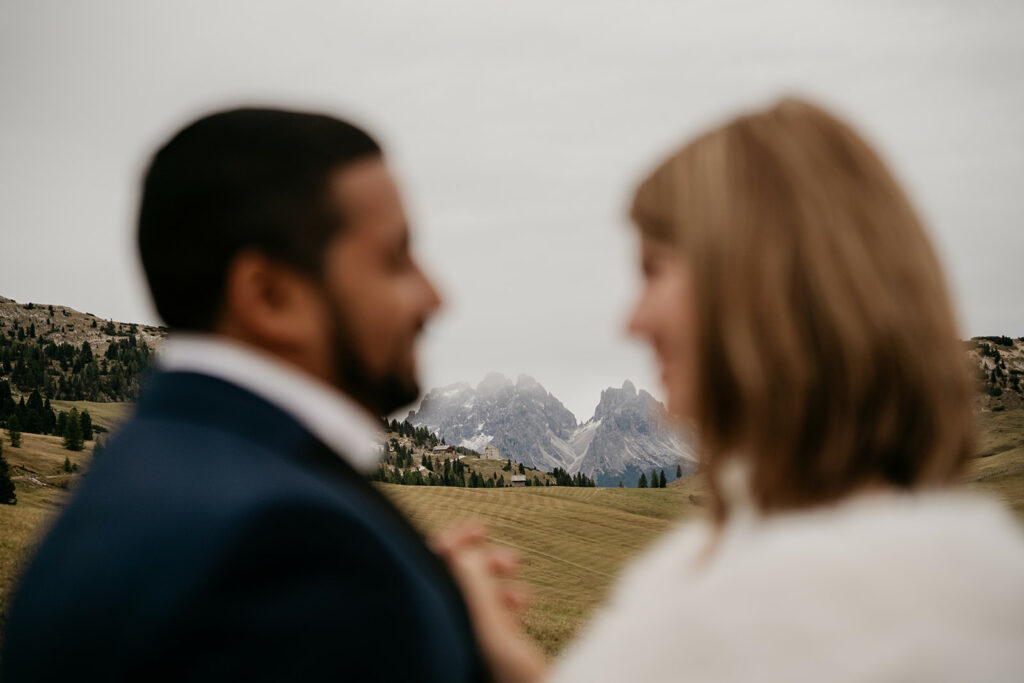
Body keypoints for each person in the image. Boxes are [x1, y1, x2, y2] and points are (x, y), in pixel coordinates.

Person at [437, 97, 1024, 682]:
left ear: (756, 285)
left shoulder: (758, 603)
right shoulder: (968, 581)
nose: (632, 321)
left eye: (655, 272)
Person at [2, 108, 490, 681]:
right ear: (269, 295)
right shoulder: (305, 554)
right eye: (394, 259)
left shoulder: (111, 499)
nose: (435, 298)